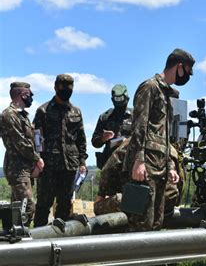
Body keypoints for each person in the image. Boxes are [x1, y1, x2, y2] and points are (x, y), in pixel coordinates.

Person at [116, 48, 195, 266]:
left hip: (160, 165)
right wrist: (138, 161)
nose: (188, 75)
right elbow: (139, 126)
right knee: (138, 220)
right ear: (178, 66)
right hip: (145, 164)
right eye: (188, 70)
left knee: (155, 221)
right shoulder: (149, 87)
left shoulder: (167, 93)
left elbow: (166, 135)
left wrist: (171, 165)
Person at [32, 74, 88, 227]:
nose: (66, 91)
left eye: (69, 88)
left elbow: (81, 139)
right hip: (48, 166)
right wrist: (37, 159)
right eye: (63, 87)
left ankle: (60, 238)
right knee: (44, 204)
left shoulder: (76, 112)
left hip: (69, 165)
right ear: (55, 87)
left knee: (64, 204)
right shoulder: (43, 111)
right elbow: (36, 138)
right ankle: (38, 239)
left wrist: (82, 161)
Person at [0, 82, 44, 226]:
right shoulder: (9, 115)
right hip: (17, 168)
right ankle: (20, 240)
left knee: (18, 208)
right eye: (30, 95)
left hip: (25, 167)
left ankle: (13, 238)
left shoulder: (22, 116)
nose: (31, 98)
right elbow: (20, 143)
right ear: (23, 95)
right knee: (28, 207)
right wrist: (37, 159)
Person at [92, 84, 133, 169]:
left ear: (127, 99)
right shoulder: (105, 117)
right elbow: (95, 142)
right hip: (109, 164)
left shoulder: (135, 116)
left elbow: (143, 138)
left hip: (129, 163)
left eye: (121, 99)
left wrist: (127, 141)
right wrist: (102, 138)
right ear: (112, 100)